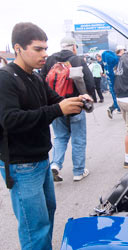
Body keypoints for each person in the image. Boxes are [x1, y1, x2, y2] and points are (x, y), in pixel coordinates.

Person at [0, 22, 89, 250]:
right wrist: (58, 110)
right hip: (22, 166)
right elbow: (10, 120)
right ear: (18, 48)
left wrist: (77, 100)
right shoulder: (6, 79)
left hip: (41, 160)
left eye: (45, 48)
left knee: (46, 220)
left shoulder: (35, 76)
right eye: (38, 49)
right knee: (35, 230)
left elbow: (54, 100)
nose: (45, 54)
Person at [41, 36, 95, 182]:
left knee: (60, 137)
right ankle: (78, 171)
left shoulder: (50, 60)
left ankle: (56, 165)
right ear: (73, 47)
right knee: (78, 139)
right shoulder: (77, 60)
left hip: (57, 105)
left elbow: (42, 80)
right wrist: (90, 98)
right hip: (75, 104)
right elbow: (89, 81)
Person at [102, 49, 121, 119]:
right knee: (119, 97)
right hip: (117, 82)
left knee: (116, 96)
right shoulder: (114, 62)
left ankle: (114, 108)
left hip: (111, 82)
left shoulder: (106, 63)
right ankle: (113, 108)